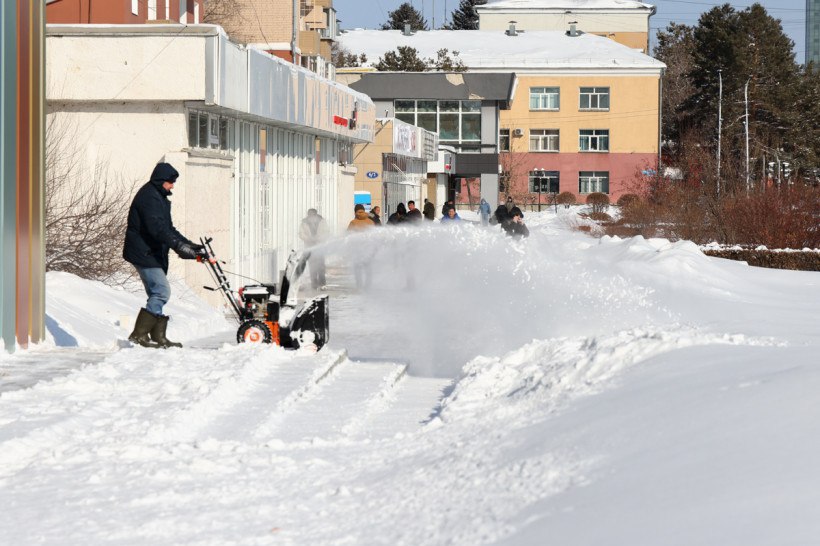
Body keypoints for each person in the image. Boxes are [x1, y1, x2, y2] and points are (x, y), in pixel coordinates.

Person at [123, 162, 204, 349]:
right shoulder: (149, 198)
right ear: (161, 180)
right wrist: (178, 246)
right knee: (161, 291)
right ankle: (139, 335)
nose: (172, 186)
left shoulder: (158, 196)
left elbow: (168, 228)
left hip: (151, 251)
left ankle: (158, 337)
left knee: (156, 293)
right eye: (170, 182)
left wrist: (188, 245)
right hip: (143, 251)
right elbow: (157, 229)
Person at [298, 208, 330, 290]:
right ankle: (314, 284)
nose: (311, 216)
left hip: (320, 246)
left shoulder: (322, 221)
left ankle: (322, 284)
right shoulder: (304, 222)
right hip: (309, 247)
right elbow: (301, 233)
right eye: (309, 215)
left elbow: (326, 232)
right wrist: (309, 239)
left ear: (316, 215)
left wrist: (319, 238)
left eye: (312, 215)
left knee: (321, 265)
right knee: (312, 266)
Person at [346, 204, 375, 289]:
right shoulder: (370, 221)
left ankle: (359, 286)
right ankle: (368, 286)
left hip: (357, 249)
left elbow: (348, 235)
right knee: (368, 269)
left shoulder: (353, 222)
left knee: (358, 269)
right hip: (368, 248)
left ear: (355, 211)